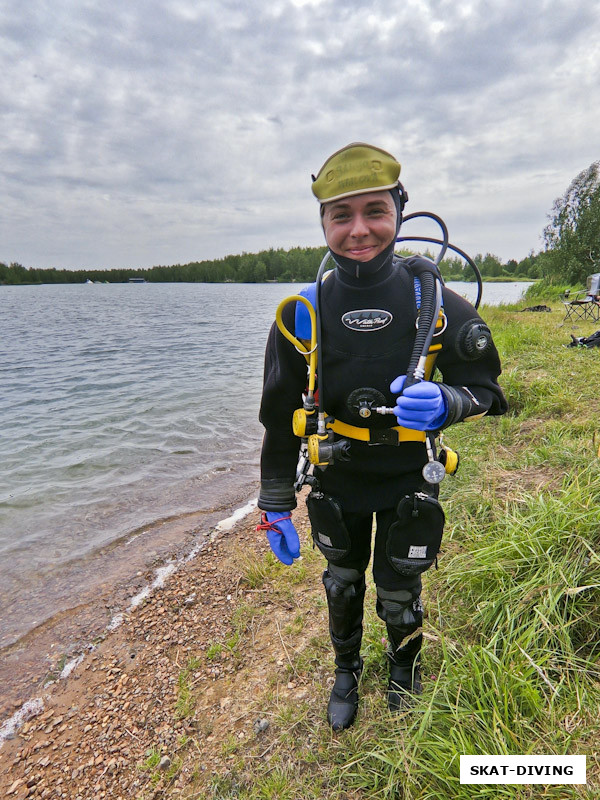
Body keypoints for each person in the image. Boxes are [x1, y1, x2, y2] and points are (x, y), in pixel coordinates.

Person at [257, 142, 507, 730]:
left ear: (399, 210)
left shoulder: (438, 305)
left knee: (400, 584)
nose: (359, 229)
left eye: (375, 210)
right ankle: (346, 670)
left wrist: (451, 401)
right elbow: (275, 418)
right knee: (341, 584)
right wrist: (273, 504)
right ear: (322, 223)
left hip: (407, 479)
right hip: (337, 476)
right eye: (341, 215)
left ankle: (404, 666)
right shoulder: (300, 315)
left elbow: (491, 394)